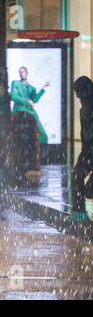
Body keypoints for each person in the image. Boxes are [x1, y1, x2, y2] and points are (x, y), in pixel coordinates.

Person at [11, 66, 50, 144]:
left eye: (24, 71)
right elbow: (13, 96)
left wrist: (43, 88)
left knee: (43, 136)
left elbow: (35, 100)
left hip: (31, 112)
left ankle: (35, 151)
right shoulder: (16, 83)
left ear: (27, 73)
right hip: (20, 112)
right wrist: (27, 101)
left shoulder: (32, 88)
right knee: (20, 137)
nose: (22, 73)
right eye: (20, 72)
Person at [72, 76, 93, 220]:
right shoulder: (83, 109)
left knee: (89, 190)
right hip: (88, 151)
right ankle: (79, 212)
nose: (78, 97)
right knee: (77, 176)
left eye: (79, 93)